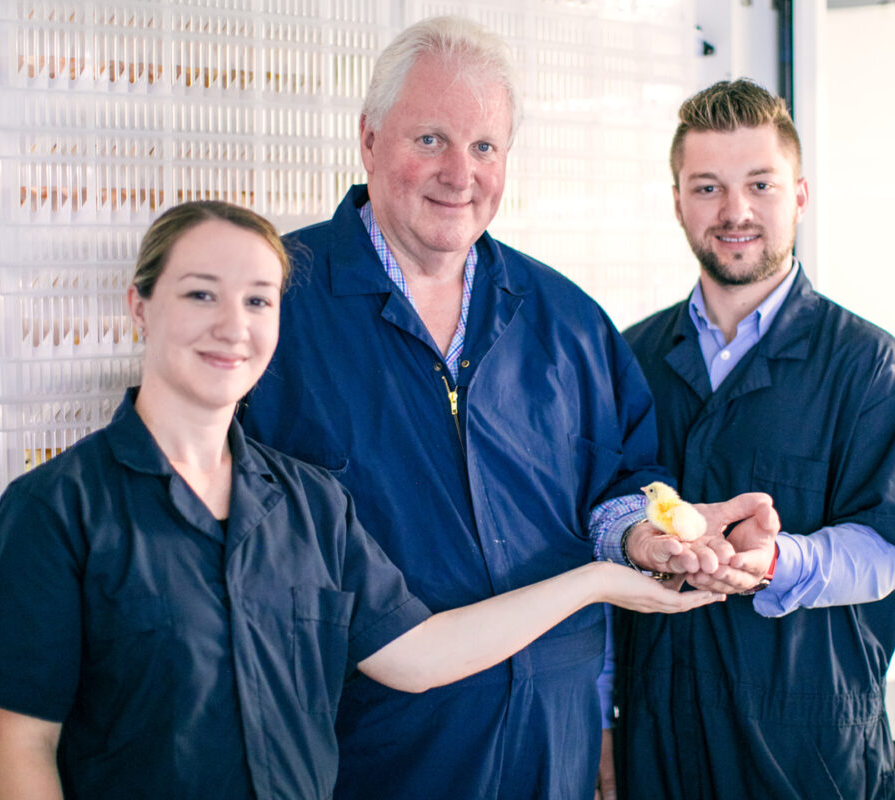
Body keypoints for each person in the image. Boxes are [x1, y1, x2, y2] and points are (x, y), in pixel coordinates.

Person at [0, 200, 733, 800]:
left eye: (259, 301)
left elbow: (420, 655)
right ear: (140, 305)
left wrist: (599, 581)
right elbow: (19, 749)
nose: (233, 326)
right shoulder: (58, 510)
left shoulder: (308, 507)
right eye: (200, 294)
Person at [238, 17, 778, 800]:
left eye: (484, 147)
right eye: (430, 139)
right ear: (368, 138)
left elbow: (619, 485)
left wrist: (645, 538)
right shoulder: (276, 303)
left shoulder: (566, 319)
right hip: (364, 756)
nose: (460, 173)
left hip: (548, 749)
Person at [609, 79, 895, 799]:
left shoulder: (871, 368)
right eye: (706, 188)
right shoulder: (627, 361)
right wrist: (603, 722)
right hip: (656, 742)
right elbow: (601, 535)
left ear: (796, 195)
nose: (734, 212)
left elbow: (887, 550)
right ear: (676, 201)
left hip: (807, 750)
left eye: (759, 184)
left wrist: (772, 563)